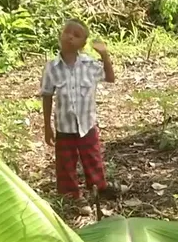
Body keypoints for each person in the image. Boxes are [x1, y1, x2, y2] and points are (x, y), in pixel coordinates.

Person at [40, 18, 120, 216]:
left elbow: (110, 78)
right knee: (65, 164)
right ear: (60, 35)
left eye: (76, 35)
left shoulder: (89, 65)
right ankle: (72, 196)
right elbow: (47, 95)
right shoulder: (51, 68)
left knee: (92, 158)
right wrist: (47, 126)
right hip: (64, 126)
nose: (70, 37)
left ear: (83, 44)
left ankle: (99, 188)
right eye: (67, 32)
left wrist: (104, 55)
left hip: (87, 124)